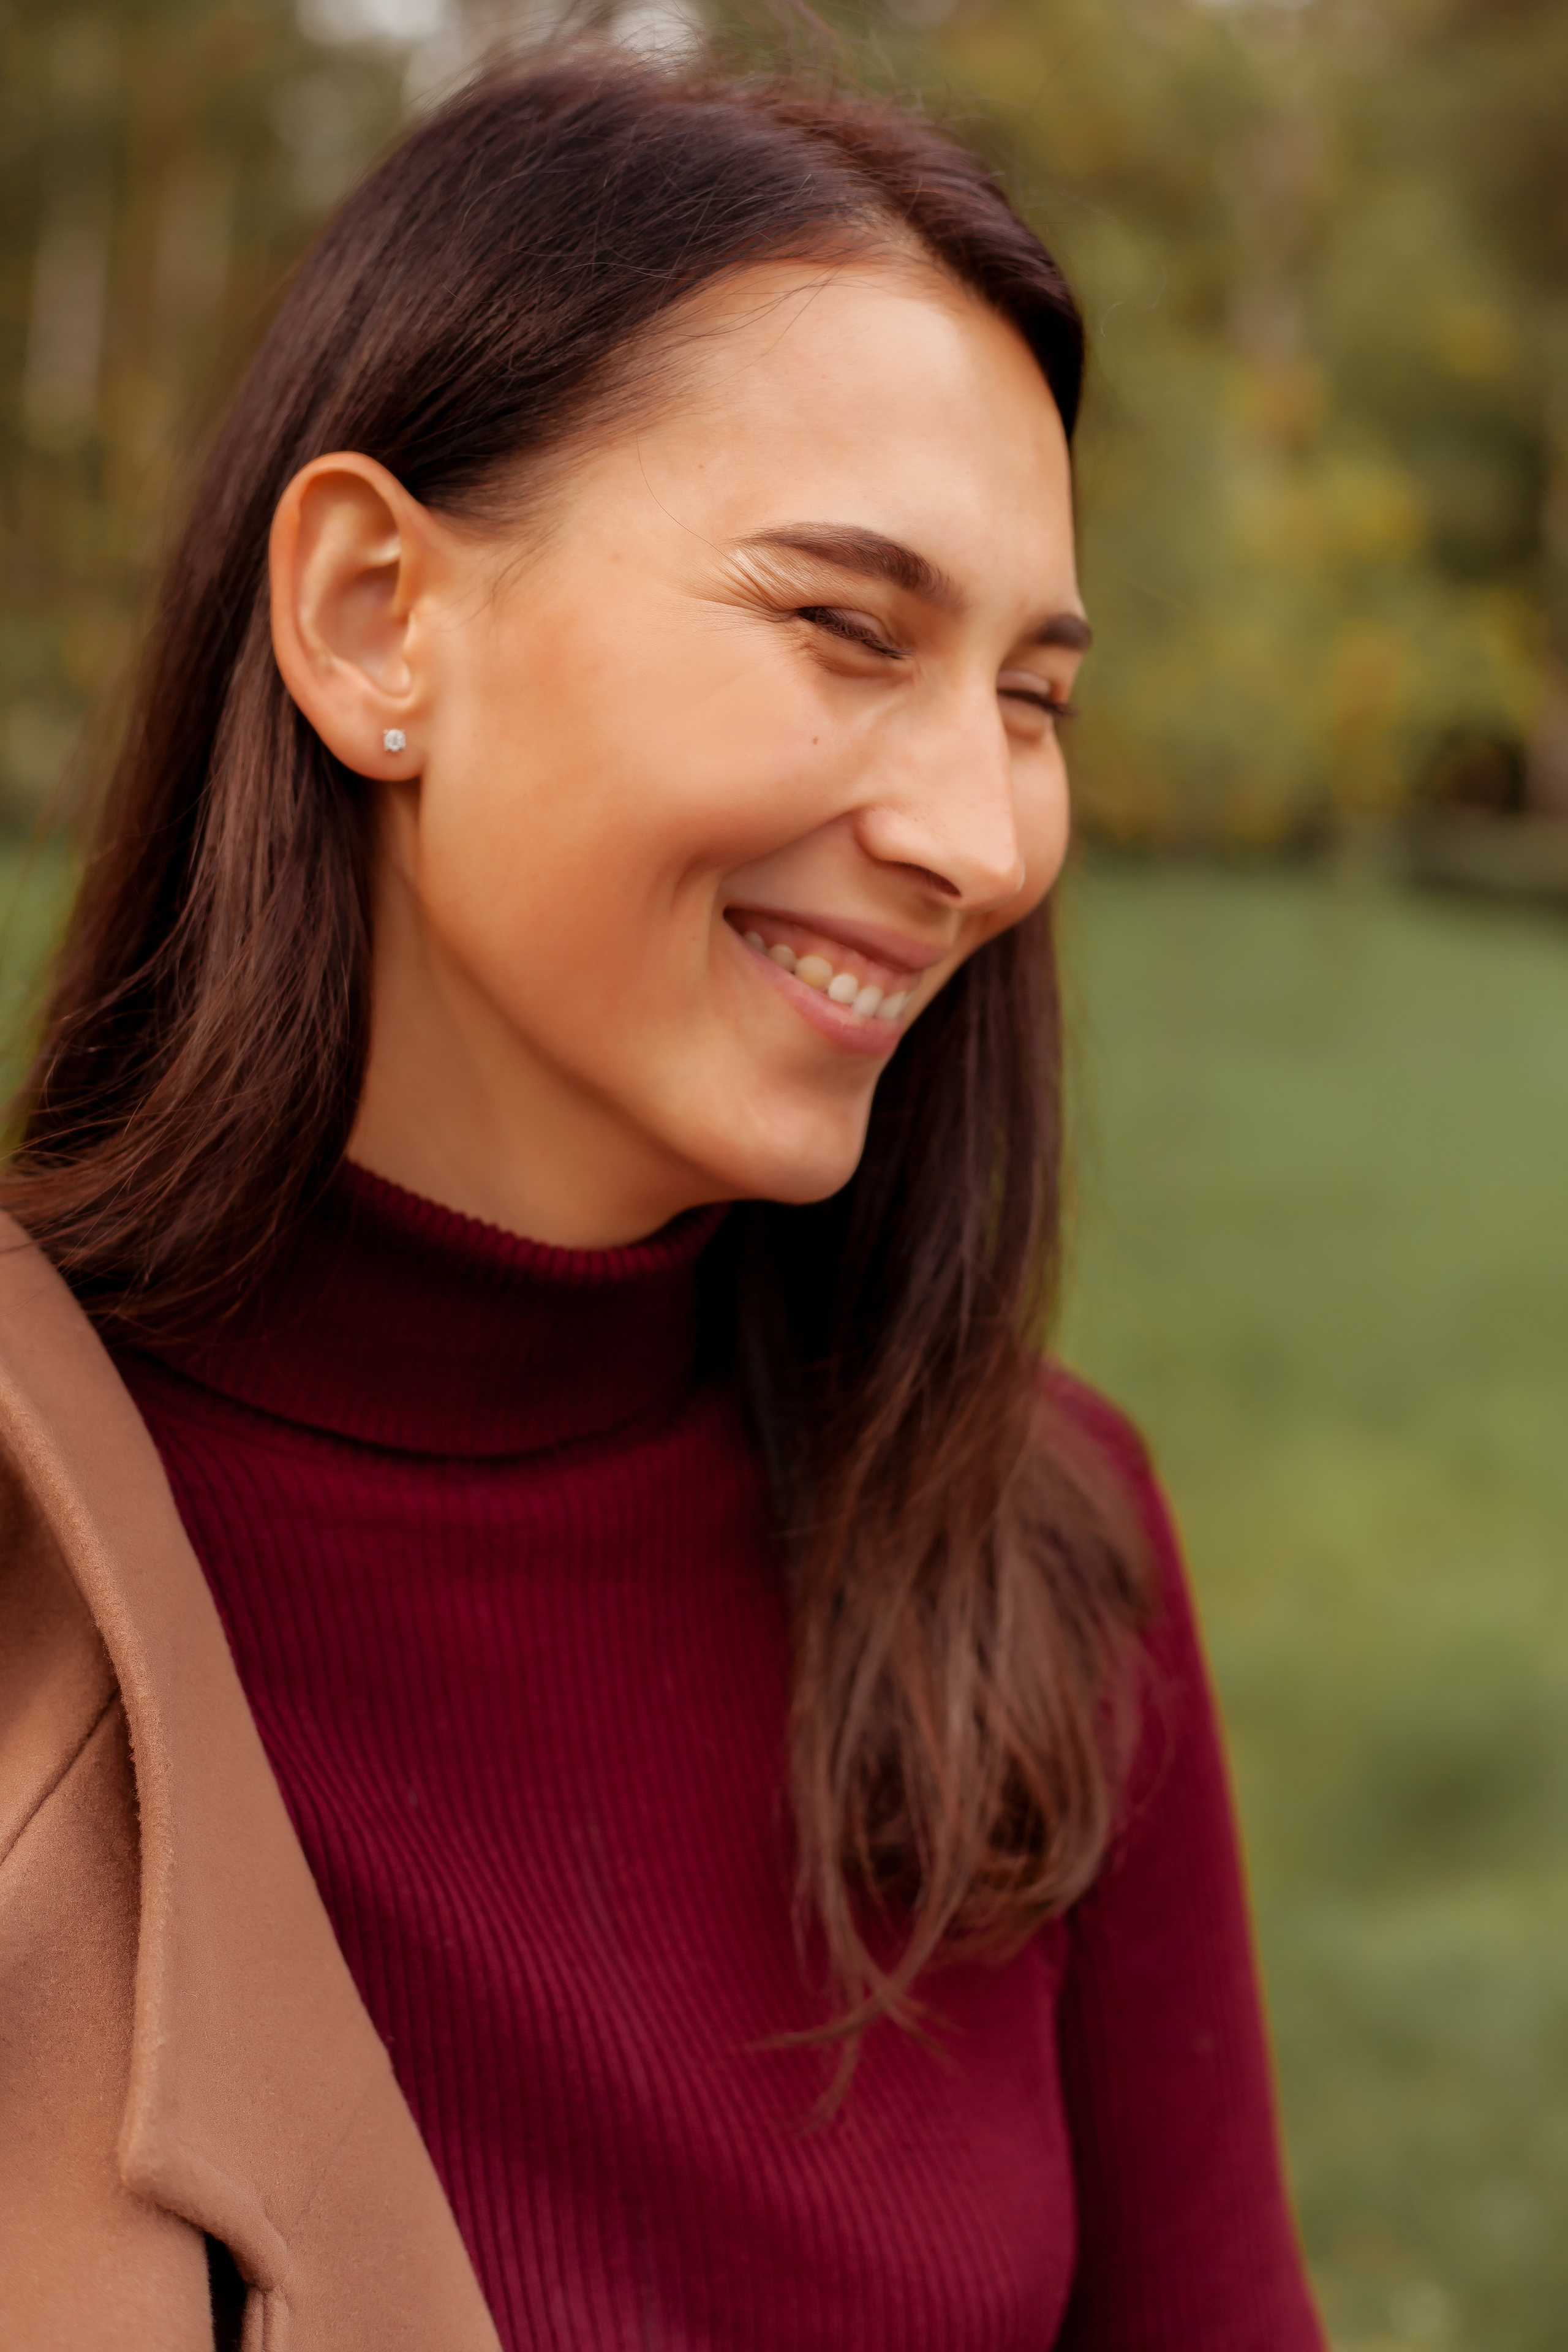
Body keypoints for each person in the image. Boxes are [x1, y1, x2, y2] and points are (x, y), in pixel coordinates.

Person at [0, 45, 1325, 2352]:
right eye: (847, 625)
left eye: (1032, 693)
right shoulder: (32, 1542)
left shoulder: (1040, 1556)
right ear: (369, 618)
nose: (988, 837)